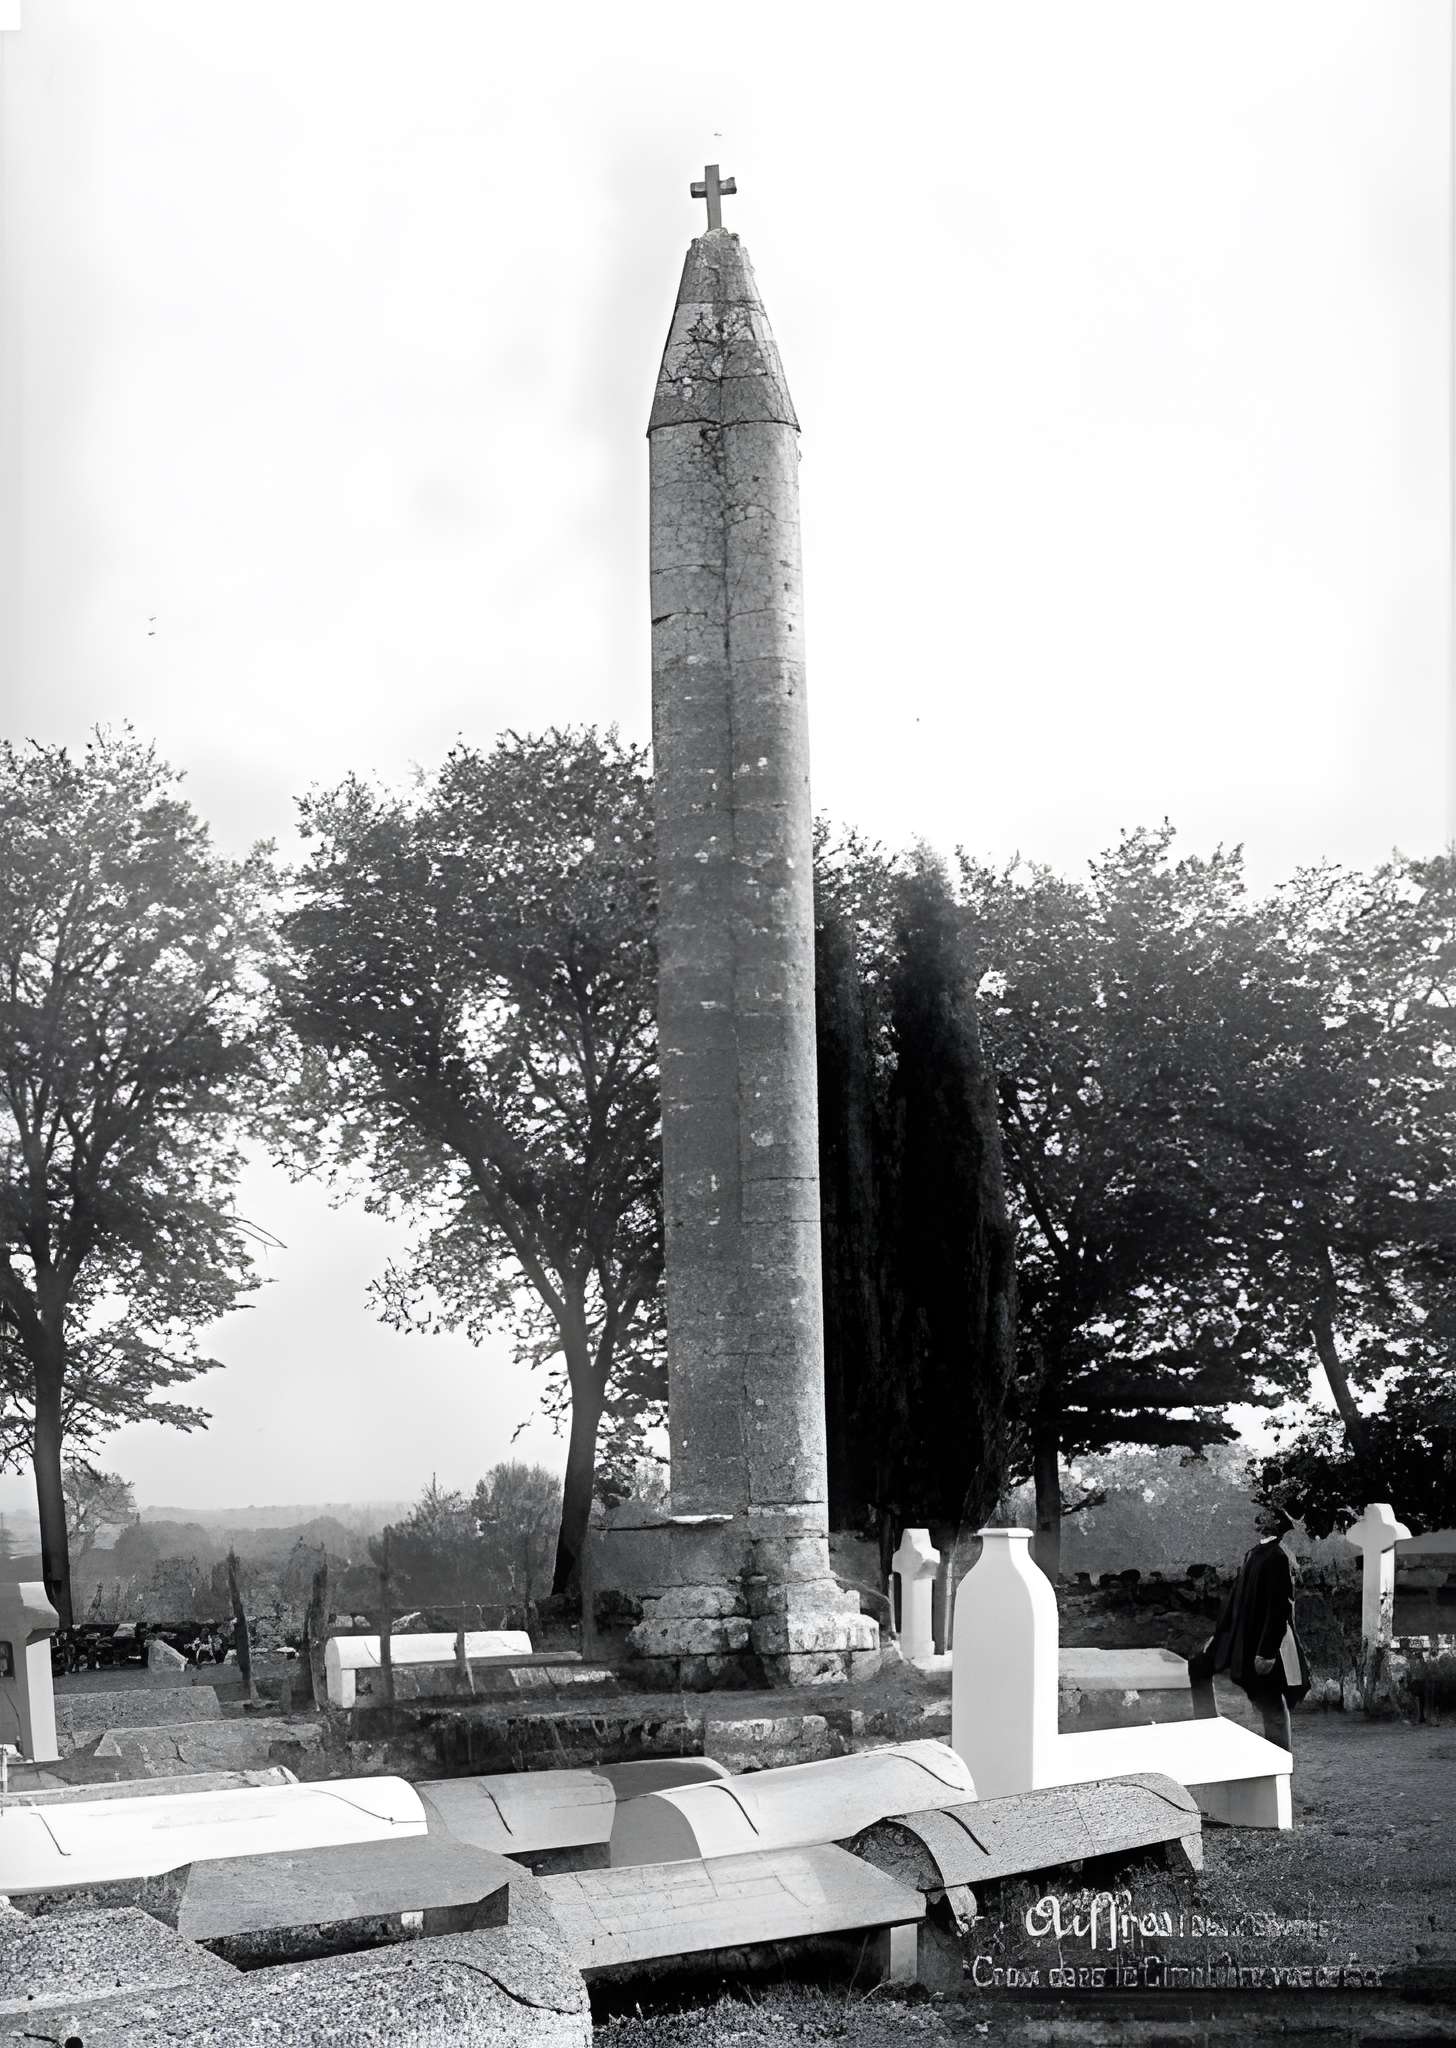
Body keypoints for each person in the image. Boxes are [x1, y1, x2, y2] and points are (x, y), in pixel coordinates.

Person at [1186, 1500, 1309, 1752]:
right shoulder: (1254, 1553)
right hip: (1240, 1636)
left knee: (1271, 1702)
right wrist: (1218, 1636)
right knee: (1199, 1666)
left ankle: (1279, 1759)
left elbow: (1280, 1608)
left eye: (1264, 1516)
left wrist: (1267, 1652)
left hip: (1263, 1642)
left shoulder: (1278, 1556)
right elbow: (1235, 1601)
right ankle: (1207, 1731)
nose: (1257, 1519)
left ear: (1274, 1524)